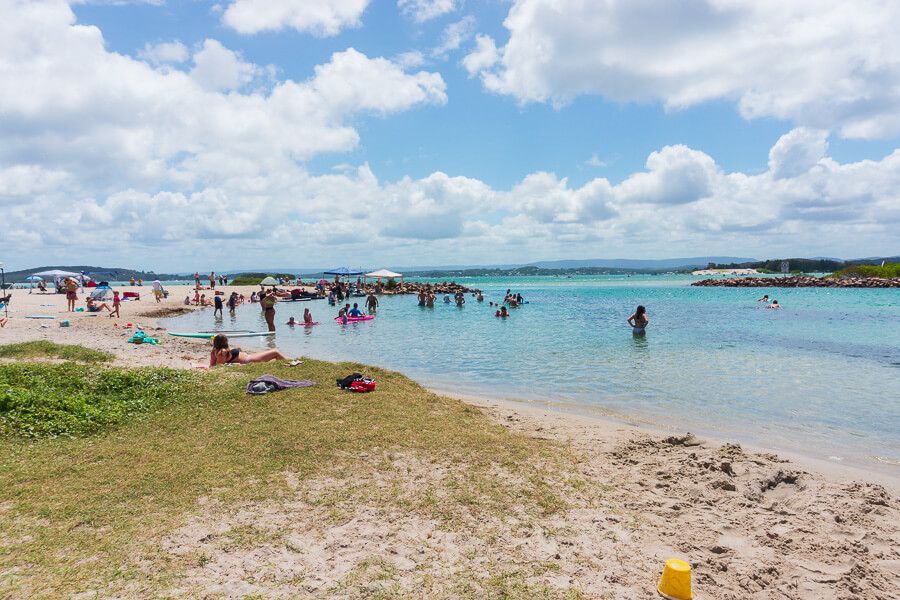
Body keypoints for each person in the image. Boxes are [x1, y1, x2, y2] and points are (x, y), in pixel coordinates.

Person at [209, 334, 286, 366]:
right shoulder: (222, 352)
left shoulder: (214, 351)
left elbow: (211, 365)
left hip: (249, 357)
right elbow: (218, 366)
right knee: (275, 352)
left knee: (275, 352)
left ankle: (285, 364)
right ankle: (289, 365)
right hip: (248, 360)